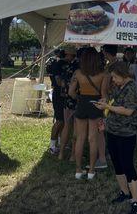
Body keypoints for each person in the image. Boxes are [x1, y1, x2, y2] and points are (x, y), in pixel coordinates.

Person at [93, 62, 137, 214]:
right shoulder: (118, 87)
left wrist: (107, 107)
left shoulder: (132, 88)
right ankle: (124, 193)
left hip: (126, 133)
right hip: (113, 131)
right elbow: (113, 102)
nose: (113, 80)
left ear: (123, 74)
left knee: (127, 165)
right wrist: (105, 103)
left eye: (115, 77)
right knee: (117, 164)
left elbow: (128, 111)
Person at [69, 47, 109, 179]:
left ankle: (78, 170)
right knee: (93, 139)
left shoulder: (78, 73)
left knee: (80, 138)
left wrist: (79, 98)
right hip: (96, 105)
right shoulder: (104, 74)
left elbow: (71, 92)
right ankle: (91, 170)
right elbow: (104, 95)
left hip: (82, 103)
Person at [57, 47, 79, 161]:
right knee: (76, 127)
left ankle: (61, 153)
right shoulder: (79, 68)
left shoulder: (65, 66)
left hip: (67, 99)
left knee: (66, 125)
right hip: (77, 99)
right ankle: (73, 155)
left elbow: (60, 82)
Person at [46, 49, 65, 154]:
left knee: (63, 121)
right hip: (58, 95)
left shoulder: (54, 63)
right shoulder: (57, 64)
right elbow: (58, 82)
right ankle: (52, 145)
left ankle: (59, 142)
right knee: (59, 121)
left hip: (59, 94)